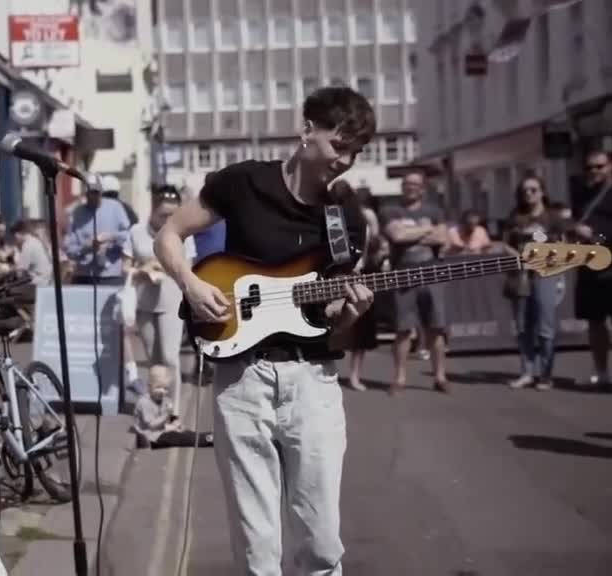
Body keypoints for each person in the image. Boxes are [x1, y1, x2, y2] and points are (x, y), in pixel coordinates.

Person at [155, 86, 375, 575]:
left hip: (311, 383)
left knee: (319, 541)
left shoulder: (347, 219)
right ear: (306, 132)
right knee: (257, 548)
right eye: (340, 146)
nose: (346, 160)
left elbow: (335, 322)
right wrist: (190, 284)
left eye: (356, 152)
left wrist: (351, 314)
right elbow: (169, 235)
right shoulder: (243, 183)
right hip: (241, 380)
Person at [123, 187, 195, 416]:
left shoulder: (184, 232)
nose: (168, 219)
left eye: (172, 214)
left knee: (170, 357)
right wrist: (140, 269)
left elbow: (189, 267)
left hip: (171, 299)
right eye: (163, 214)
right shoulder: (136, 232)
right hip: (144, 301)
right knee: (154, 359)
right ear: (153, 210)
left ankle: (173, 410)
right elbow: (125, 265)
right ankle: (156, 408)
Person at [381, 172, 451, 395]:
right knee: (403, 330)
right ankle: (399, 379)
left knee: (436, 328)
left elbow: (443, 239)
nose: (410, 187)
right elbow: (397, 237)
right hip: (403, 274)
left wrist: (412, 233)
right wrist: (428, 230)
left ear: (423, 189)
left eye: (415, 184)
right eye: (406, 184)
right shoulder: (389, 209)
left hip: (432, 273)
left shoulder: (435, 211)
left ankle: (440, 377)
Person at [502, 176, 567, 390]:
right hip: (521, 277)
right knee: (523, 328)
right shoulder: (516, 217)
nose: (528, 194)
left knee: (545, 329)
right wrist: (520, 258)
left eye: (533, 190)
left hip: (546, 275)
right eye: (525, 191)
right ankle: (527, 372)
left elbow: (563, 247)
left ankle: (546, 375)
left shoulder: (553, 217)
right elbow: (505, 245)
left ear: (542, 192)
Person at [570, 149, 612, 389]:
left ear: (610, 167)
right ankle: (601, 372)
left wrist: (596, 236)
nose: (594, 172)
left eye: (599, 166)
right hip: (589, 266)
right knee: (595, 322)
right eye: (589, 167)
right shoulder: (582, 194)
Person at [344, 183, 384, 392]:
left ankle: (354, 375)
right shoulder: (332, 216)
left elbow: (375, 240)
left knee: (360, 328)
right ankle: (351, 375)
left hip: (361, 273)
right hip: (343, 274)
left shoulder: (366, 216)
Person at [62, 184, 131, 285]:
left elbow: (128, 235)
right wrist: (86, 248)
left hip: (111, 275)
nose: (94, 196)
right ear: (86, 194)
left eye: (97, 192)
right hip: (84, 275)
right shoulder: (77, 213)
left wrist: (111, 237)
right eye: (91, 193)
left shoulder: (115, 207)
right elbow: (69, 248)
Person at [133, 365, 213, 449]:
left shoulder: (164, 400)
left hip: (162, 430)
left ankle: (210, 436)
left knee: (186, 433)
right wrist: (170, 424)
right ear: (149, 386)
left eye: (165, 388)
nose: (162, 391)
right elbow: (152, 425)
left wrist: (176, 422)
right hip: (152, 436)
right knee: (182, 438)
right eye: (158, 387)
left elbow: (171, 417)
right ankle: (207, 439)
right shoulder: (144, 402)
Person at [12, 219, 53, 285]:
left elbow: (20, 272)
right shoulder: (35, 241)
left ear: (17, 234)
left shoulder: (28, 245)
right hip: (46, 280)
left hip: (38, 283)